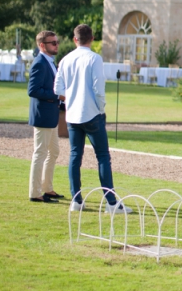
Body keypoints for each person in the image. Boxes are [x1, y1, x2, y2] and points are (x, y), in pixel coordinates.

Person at [56, 24, 131, 214]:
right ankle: (111, 203)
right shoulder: (94, 58)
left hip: (72, 115)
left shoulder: (65, 59)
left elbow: (58, 89)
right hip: (91, 113)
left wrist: (71, 99)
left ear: (75, 39)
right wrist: (100, 109)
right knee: (103, 156)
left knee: (75, 156)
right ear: (93, 38)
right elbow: (99, 89)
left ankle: (76, 200)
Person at [28, 30, 64, 203]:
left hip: (51, 116)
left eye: (57, 42)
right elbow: (33, 90)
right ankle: (35, 193)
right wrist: (57, 96)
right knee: (40, 153)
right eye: (53, 43)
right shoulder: (40, 63)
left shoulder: (50, 62)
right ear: (42, 45)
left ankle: (47, 188)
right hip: (43, 116)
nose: (56, 45)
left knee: (54, 152)